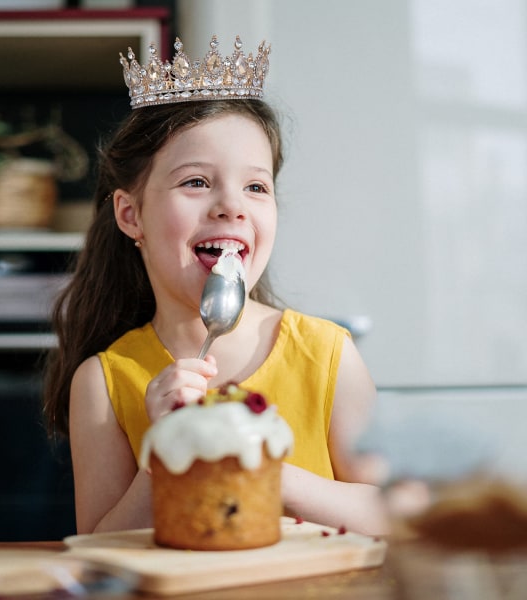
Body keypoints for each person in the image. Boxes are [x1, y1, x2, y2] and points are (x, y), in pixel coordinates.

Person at [43, 35, 390, 537]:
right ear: (130, 214)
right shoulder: (104, 382)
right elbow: (101, 551)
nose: (233, 205)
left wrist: (256, 463)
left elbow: (392, 515)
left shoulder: (328, 355)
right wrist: (166, 453)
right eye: (196, 182)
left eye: (255, 186)